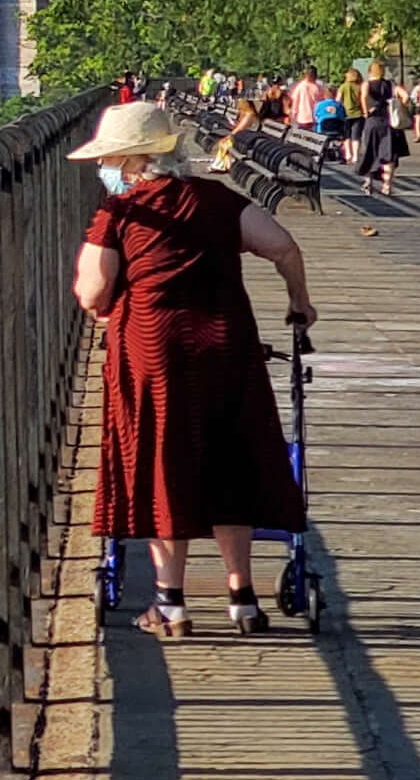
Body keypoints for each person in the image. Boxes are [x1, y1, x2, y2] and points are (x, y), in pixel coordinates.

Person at [73, 97, 314, 638]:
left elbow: (92, 292)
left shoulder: (120, 213)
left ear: (134, 161)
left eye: (111, 160)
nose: (105, 170)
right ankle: (243, 599)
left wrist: (105, 306)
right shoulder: (217, 199)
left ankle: (171, 602)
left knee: (164, 463)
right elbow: (283, 247)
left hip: (152, 352)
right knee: (232, 462)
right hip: (227, 347)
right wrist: (300, 304)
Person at [353, 69, 402, 198]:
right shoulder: (390, 84)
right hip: (388, 122)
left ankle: (368, 182)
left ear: (370, 72)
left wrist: (365, 112)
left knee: (370, 150)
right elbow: (405, 96)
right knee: (389, 155)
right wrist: (398, 107)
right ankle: (387, 185)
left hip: (372, 122)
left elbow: (363, 97)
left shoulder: (367, 84)